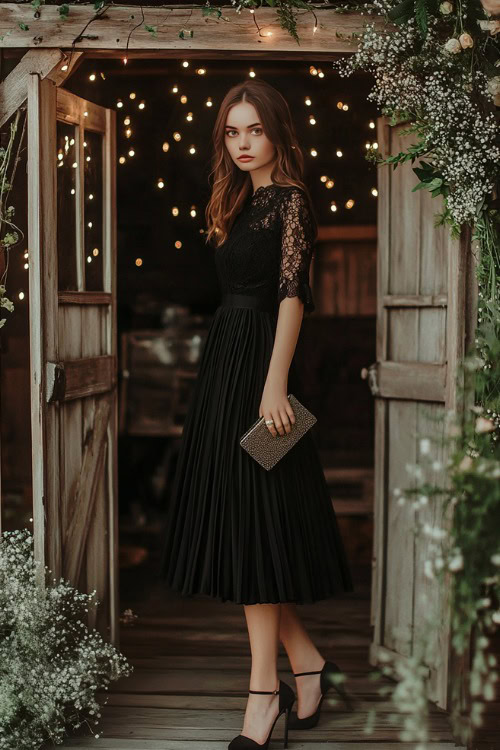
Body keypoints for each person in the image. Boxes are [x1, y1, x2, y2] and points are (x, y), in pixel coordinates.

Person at [160, 78, 354, 750]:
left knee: (256, 523)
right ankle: (306, 663)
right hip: (228, 365)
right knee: (245, 526)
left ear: (278, 133)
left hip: (262, 371)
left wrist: (274, 385)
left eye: (254, 131)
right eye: (232, 132)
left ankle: (263, 693)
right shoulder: (241, 199)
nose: (242, 143)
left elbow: (293, 298)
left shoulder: (292, 201)